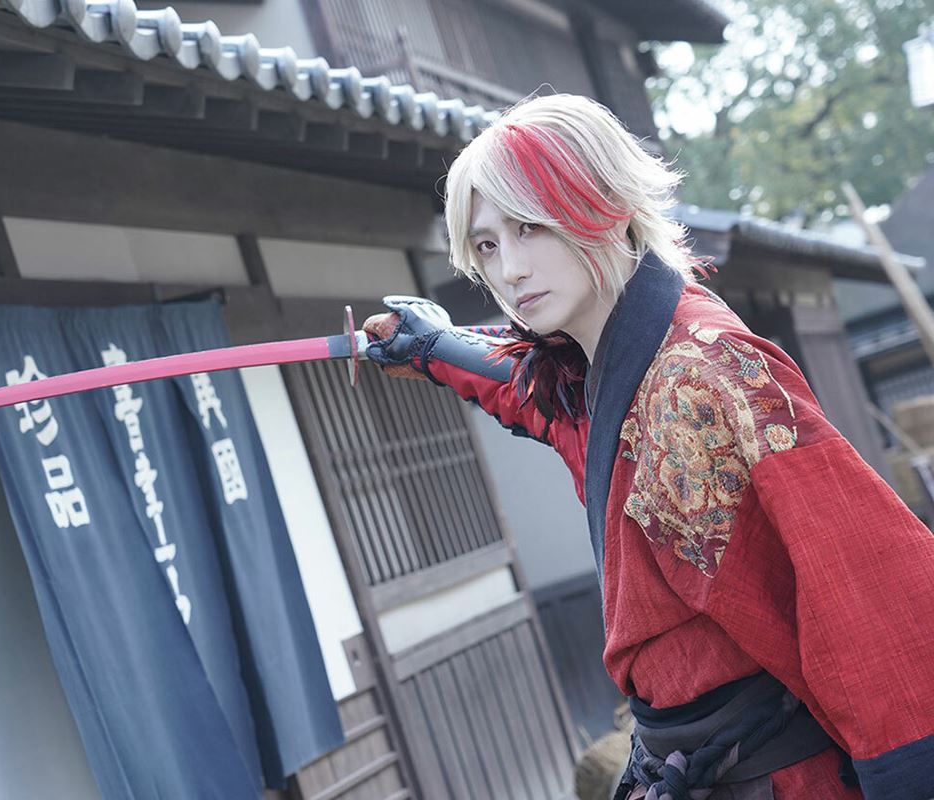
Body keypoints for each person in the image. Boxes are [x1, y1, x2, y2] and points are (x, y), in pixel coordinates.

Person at [362, 93, 934, 799]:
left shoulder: (704, 372)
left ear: (603, 203)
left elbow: (866, 588)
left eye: (530, 226)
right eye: (487, 245)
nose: (509, 269)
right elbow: (545, 397)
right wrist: (434, 347)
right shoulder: (603, 366)